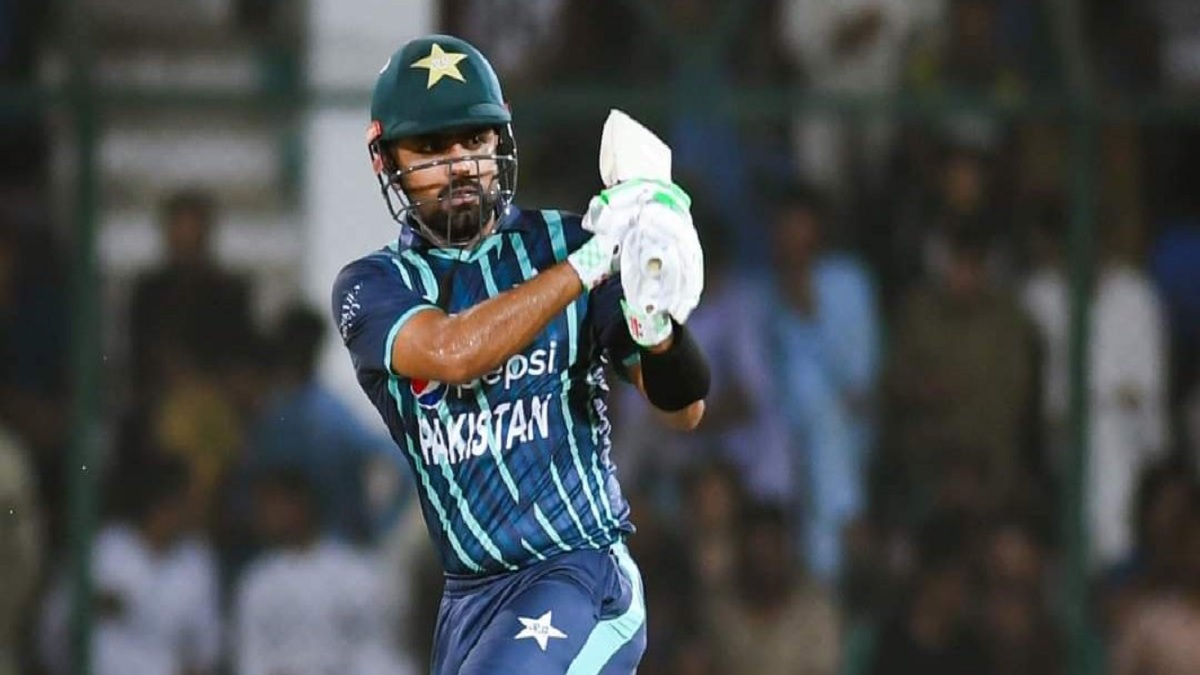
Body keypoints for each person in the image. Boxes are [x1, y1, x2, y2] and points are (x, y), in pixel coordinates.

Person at [330, 34, 709, 675]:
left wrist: (657, 323)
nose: (459, 164)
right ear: (385, 160)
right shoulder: (373, 286)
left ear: (500, 140)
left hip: (580, 574)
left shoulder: (566, 241)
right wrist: (594, 262)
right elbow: (452, 352)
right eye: (431, 148)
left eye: (473, 140)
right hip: (469, 599)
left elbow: (684, 409)